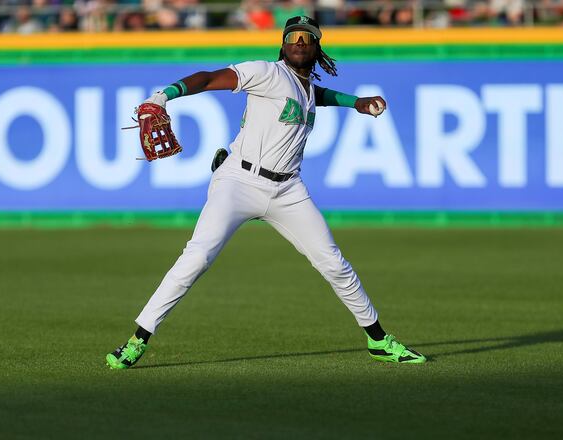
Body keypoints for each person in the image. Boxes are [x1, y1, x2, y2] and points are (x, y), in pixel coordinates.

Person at [106, 15, 426, 369]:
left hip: (288, 188)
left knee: (334, 263)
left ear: (318, 46)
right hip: (239, 182)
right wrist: (163, 95)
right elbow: (210, 78)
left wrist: (356, 102)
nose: (300, 42)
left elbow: (314, 96)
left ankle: (379, 340)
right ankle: (138, 339)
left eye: (307, 37)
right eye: (293, 37)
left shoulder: (303, 86)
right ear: (283, 44)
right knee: (196, 258)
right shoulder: (267, 73)